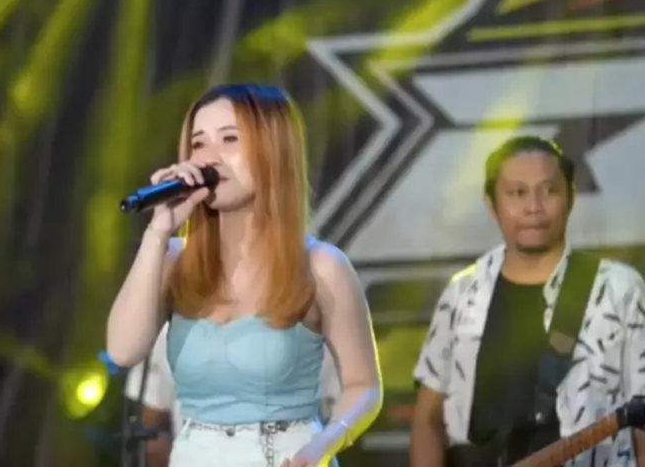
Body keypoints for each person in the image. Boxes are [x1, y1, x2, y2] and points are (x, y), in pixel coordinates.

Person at [106, 83, 382, 467]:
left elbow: (364, 386)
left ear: (273, 149)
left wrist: (325, 443)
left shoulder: (321, 266)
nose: (209, 158)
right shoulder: (173, 259)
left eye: (229, 139)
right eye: (199, 144)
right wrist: (158, 231)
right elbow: (122, 351)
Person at [409, 136, 645, 466]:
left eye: (549, 191)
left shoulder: (620, 290)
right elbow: (427, 421)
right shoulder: (462, 293)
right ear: (491, 203)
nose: (534, 207)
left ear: (571, 197)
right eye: (517, 193)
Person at [124, 323, 345, 467]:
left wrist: (319, 447)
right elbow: (152, 429)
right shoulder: (171, 328)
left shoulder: (313, 322)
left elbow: (350, 402)